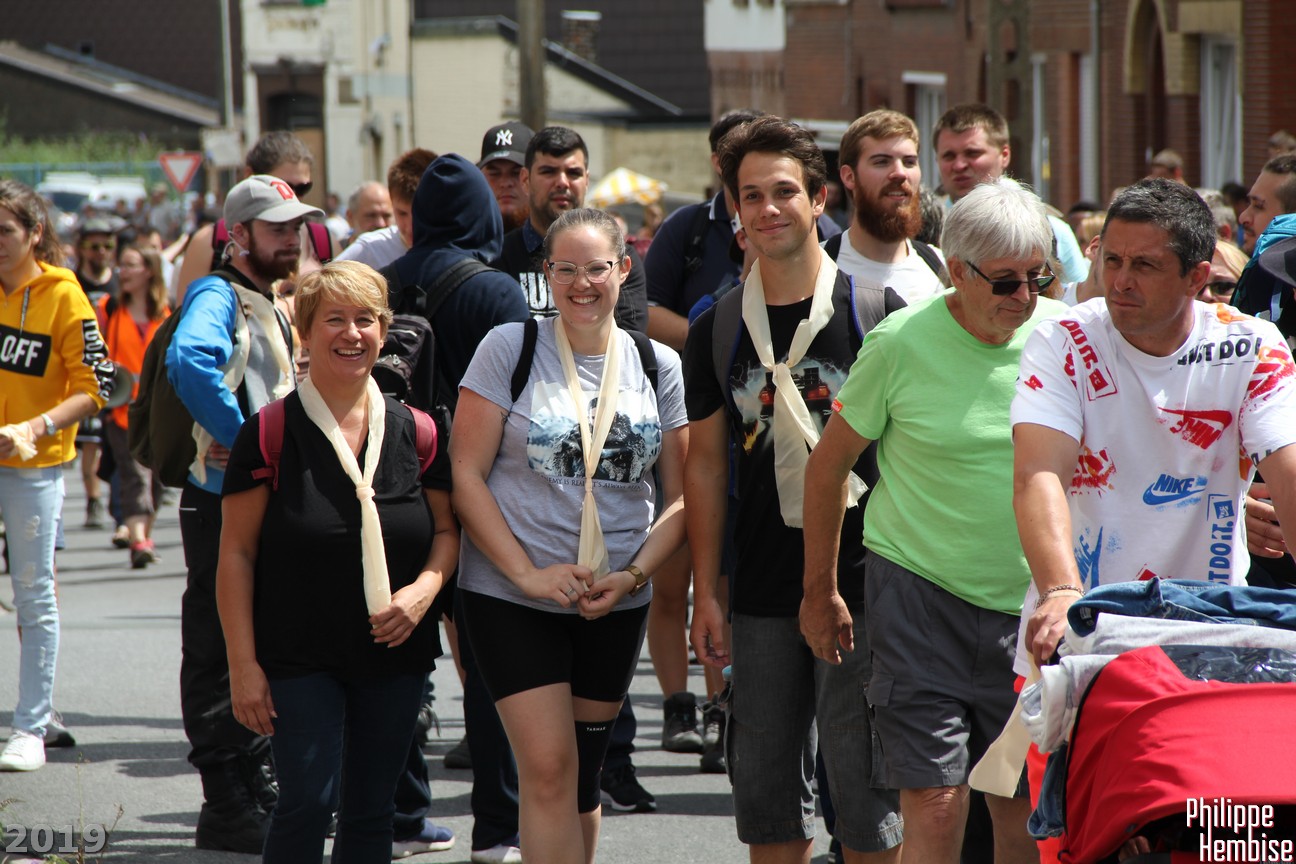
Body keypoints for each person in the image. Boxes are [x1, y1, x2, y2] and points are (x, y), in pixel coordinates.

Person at [1010, 179, 1296, 859]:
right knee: (1076, 847)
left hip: (1210, 651)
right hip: (1082, 643)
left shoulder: (1251, 346)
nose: (1120, 281)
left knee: (1223, 844)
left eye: (1144, 265)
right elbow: (1038, 474)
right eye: (1111, 259)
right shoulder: (1063, 340)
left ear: (1199, 277)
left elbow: (1288, 469)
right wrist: (1060, 590)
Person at [802, 176, 1066, 864]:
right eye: (1005, 281)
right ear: (957, 271)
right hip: (918, 596)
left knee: (1020, 806)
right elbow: (827, 469)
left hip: (1031, 605)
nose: (1025, 297)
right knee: (937, 802)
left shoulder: (1064, 338)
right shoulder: (900, 342)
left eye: (1038, 277)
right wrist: (819, 590)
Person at [685, 115, 903, 864]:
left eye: (784, 191)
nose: (768, 208)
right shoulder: (716, 327)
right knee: (768, 803)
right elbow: (706, 467)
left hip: (866, 584)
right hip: (760, 589)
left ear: (819, 199)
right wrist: (707, 592)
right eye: (751, 195)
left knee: (869, 804)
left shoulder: (878, 316)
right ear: (734, 208)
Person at [452, 207, 687, 864]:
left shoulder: (658, 364)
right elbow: (466, 475)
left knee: (582, 779)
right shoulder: (509, 347)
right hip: (511, 595)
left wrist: (633, 576)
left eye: (596, 269)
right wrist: (527, 574)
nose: (581, 284)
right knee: (549, 770)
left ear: (623, 269)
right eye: (565, 270)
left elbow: (681, 498)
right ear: (546, 274)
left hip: (614, 599)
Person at [216, 260, 456, 863]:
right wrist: (242, 666)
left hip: (395, 652)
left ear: (384, 330)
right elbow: (236, 555)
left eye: (366, 319)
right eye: (335, 319)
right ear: (305, 330)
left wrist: (424, 591)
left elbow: (447, 532)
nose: (353, 333)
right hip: (298, 655)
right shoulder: (269, 432)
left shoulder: (419, 431)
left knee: (373, 812)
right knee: (306, 804)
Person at [169, 174, 321, 852]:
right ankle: (226, 802)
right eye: (276, 227)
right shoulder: (217, 292)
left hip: (246, 497)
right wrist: (243, 440)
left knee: (250, 637)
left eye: (297, 226)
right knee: (217, 644)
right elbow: (189, 359)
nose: (292, 237)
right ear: (238, 235)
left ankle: (251, 786)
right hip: (219, 499)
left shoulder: (261, 296)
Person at [0, 179, 112, 771]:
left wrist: (35, 426)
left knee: (33, 594)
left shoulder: (64, 296)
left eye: (5, 230)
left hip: (33, 469)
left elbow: (97, 386)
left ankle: (30, 727)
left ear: (34, 232)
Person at [491, 126, 648, 333]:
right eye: (548, 171)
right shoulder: (498, 257)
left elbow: (628, 337)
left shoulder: (618, 257)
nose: (562, 182)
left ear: (586, 181)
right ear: (525, 180)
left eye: (573, 173)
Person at [932, 103, 1088, 285]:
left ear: (1004, 155)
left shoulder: (1052, 230)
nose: (959, 165)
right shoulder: (926, 230)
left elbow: (1078, 299)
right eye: (949, 156)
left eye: (972, 153)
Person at [98, 242, 171, 568]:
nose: (122, 272)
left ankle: (144, 535)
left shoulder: (166, 313)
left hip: (159, 413)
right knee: (133, 475)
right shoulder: (109, 308)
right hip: (122, 411)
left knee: (157, 480)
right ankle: (138, 538)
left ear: (149, 271)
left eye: (130, 265)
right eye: (122, 265)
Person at [832, 109, 948, 304]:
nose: (900, 173)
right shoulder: (818, 268)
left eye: (909, 162)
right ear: (849, 177)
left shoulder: (944, 270)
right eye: (882, 162)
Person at [72, 216, 120, 529]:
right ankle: (93, 500)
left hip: (117, 371)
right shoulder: (73, 283)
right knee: (90, 440)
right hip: (84, 371)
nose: (101, 251)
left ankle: (119, 501)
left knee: (115, 440)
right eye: (94, 246)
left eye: (107, 245)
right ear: (82, 248)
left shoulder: (120, 283)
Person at [337, 148, 438, 271]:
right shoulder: (370, 248)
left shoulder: (454, 246)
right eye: (402, 213)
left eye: (420, 213)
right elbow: (324, 280)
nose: (411, 227)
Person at [478, 121, 535, 234]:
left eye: (516, 173)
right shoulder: (462, 238)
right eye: (494, 173)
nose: (505, 183)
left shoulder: (557, 239)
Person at [342, 181, 395, 247]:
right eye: (371, 216)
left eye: (386, 216)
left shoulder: (403, 251)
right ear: (350, 217)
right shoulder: (336, 251)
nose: (381, 224)